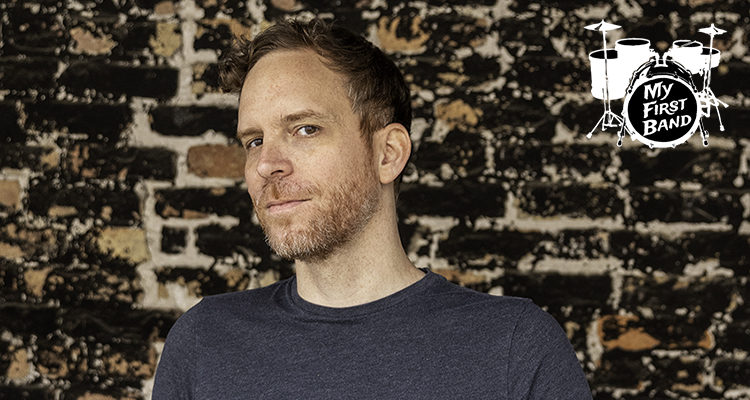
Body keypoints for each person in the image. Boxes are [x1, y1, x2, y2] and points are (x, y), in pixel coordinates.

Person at [152, 18, 593, 399]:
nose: (267, 164)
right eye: (254, 141)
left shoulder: (516, 350)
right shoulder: (203, 344)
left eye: (305, 129)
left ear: (388, 154)